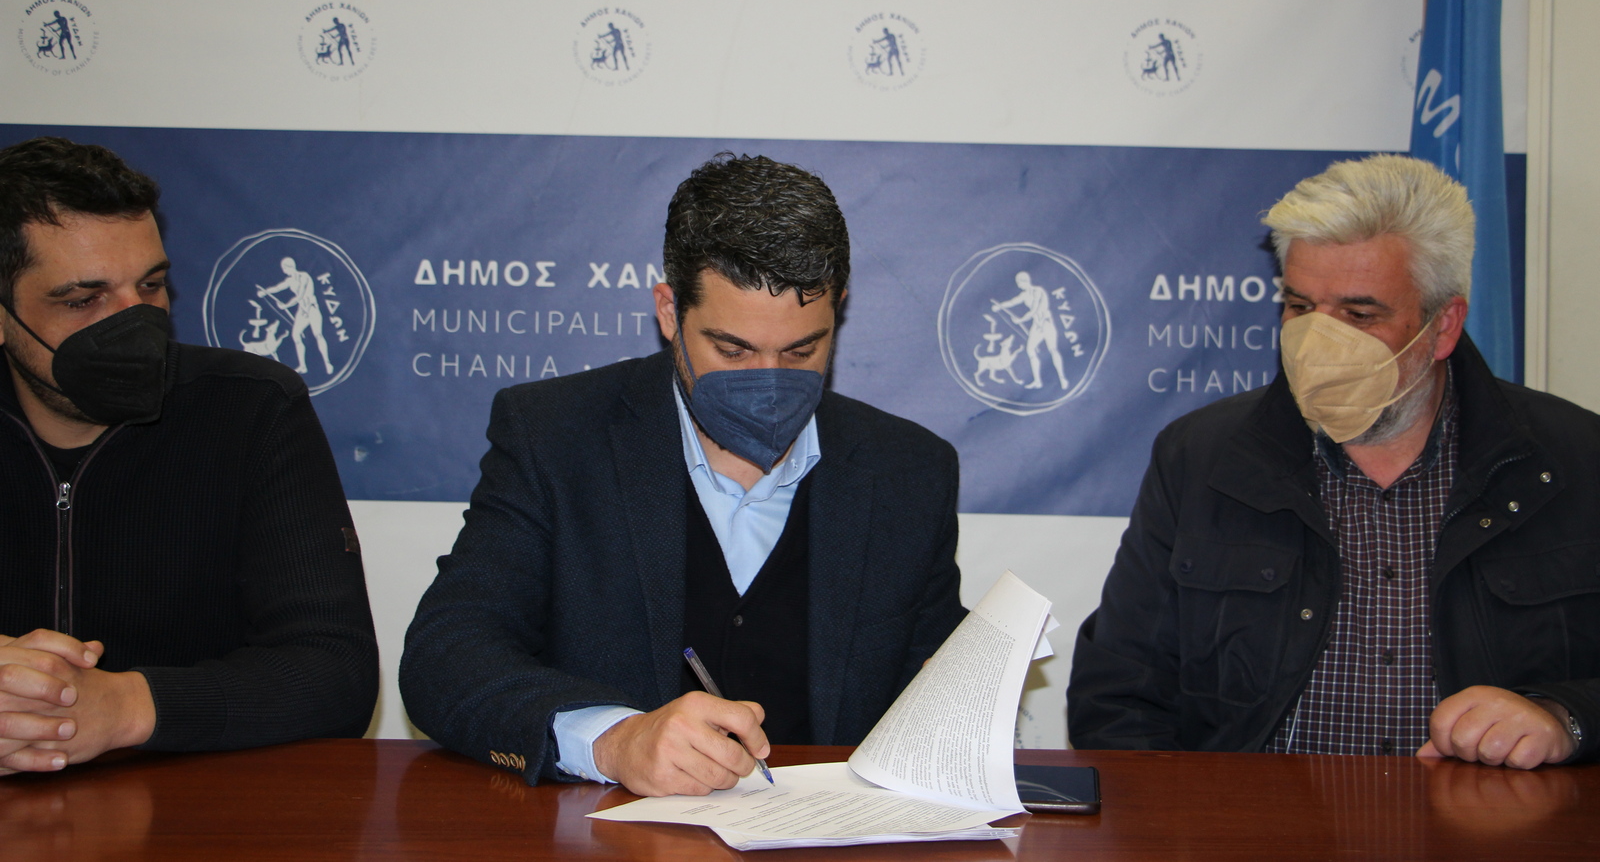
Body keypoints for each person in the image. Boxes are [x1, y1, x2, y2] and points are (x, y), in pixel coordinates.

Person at [401, 153, 965, 796]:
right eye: (733, 350)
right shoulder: (554, 437)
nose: (769, 383)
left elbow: (936, 691)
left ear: (838, 310)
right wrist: (613, 741)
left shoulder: (908, 471)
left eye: (801, 350)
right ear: (669, 312)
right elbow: (445, 657)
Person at [1069, 154, 1598, 769]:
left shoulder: (1573, 461)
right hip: (1258, 819)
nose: (1317, 342)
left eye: (1359, 314)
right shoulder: (1200, 457)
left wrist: (1567, 718)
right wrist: (1191, 817)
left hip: (1487, 821)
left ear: (1444, 325)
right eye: (1299, 307)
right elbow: (1118, 695)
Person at [0, 136, 378, 775]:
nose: (135, 324)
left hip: (190, 802)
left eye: (150, 286)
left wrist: (125, 706)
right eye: (83, 300)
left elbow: (335, 671)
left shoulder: (250, 407)